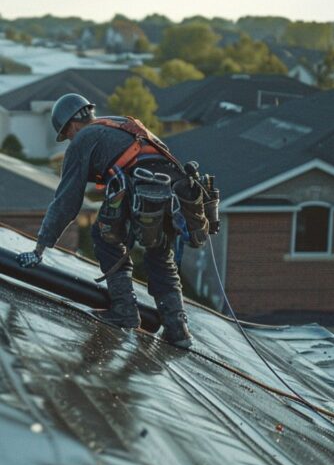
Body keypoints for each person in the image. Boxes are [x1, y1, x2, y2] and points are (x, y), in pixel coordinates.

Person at [16, 93, 198, 349]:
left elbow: (66, 203)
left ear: (72, 125)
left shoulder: (83, 139)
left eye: (66, 133)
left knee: (104, 235)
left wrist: (40, 249)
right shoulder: (121, 124)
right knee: (160, 256)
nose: (69, 138)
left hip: (141, 187)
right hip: (171, 193)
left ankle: (124, 309)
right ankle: (178, 331)